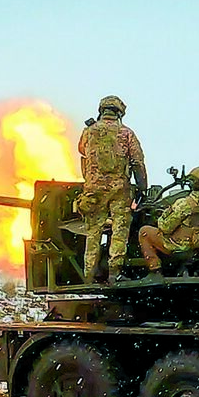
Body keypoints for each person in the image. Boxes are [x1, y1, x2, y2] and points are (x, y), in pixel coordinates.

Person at [77, 95, 147, 284]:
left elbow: (82, 150)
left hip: (93, 189)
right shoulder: (126, 133)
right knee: (119, 229)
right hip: (119, 189)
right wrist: (142, 188)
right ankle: (114, 273)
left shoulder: (89, 131)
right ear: (119, 113)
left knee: (93, 231)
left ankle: (89, 274)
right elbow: (137, 161)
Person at [138, 166, 199, 280]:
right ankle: (186, 268)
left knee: (144, 231)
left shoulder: (186, 203)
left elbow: (165, 227)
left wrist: (161, 217)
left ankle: (155, 271)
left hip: (179, 247)